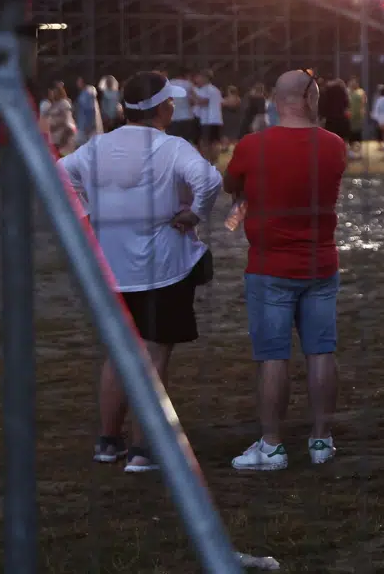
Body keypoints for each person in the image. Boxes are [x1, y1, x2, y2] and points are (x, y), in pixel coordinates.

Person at [58, 71, 222, 473]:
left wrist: (86, 217)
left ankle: (109, 440)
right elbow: (209, 179)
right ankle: (143, 448)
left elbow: (59, 173)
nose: (174, 107)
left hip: (111, 270)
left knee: (118, 355)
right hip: (162, 268)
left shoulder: (97, 147)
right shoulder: (171, 146)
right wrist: (194, 213)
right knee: (154, 354)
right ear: (161, 107)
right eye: (171, 102)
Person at [225, 70, 348, 471]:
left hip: (269, 264)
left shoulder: (252, 146)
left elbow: (233, 185)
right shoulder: (334, 147)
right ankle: (321, 439)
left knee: (273, 356)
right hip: (319, 261)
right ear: (312, 99)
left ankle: (273, 443)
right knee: (321, 352)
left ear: (275, 101)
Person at [194, 70, 224, 163]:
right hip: (216, 119)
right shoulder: (215, 89)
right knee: (214, 142)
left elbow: (204, 102)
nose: (197, 79)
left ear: (205, 78)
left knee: (205, 142)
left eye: (198, 77)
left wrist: (192, 96)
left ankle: (208, 161)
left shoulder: (205, 90)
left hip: (207, 120)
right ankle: (214, 161)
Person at [166, 70, 199, 145]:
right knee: (187, 141)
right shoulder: (188, 84)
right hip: (186, 117)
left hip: (173, 117)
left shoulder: (168, 84)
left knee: (173, 141)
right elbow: (195, 100)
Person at [74, 77, 102, 146]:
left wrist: (87, 127)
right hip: (86, 127)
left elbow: (90, 111)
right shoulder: (85, 93)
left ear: (83, 82)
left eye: (79, 81)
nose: (77, 83)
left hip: (85, 128)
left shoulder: (86, 94)